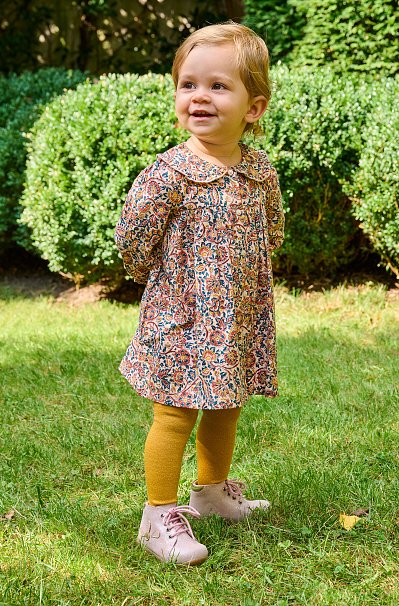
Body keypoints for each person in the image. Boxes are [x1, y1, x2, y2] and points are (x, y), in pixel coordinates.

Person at [115, 21, 285, 565]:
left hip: (237, 316)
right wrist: (168, 285)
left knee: (226, 405)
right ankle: (157, 516)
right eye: (188, 84)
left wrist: (243, 284)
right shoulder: (170, 173)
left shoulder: (259, 171)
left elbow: (272, 231)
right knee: (176, 413)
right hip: (182, 316)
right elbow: (133, 237)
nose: (200, 97)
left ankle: (211, 493)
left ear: (253, 108)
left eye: (217, 86)